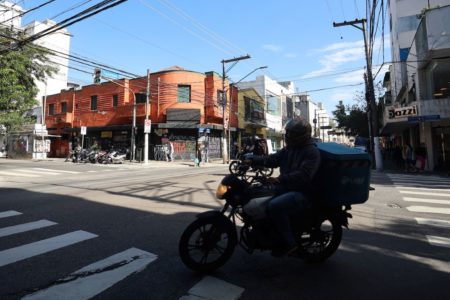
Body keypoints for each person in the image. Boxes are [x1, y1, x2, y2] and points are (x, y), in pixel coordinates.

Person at [246, 117, 321, 257]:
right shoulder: (289, 149)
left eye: (291, 133)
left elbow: (303, 176)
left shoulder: (311, 152)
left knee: (275, 206)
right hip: (286, 187)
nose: (288, 136)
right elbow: (272, 159)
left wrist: (278, 179)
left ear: (301, 135)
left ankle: (289, 243)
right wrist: (252, 159)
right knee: (255, 193)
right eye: (288, 133)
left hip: (303, 192)